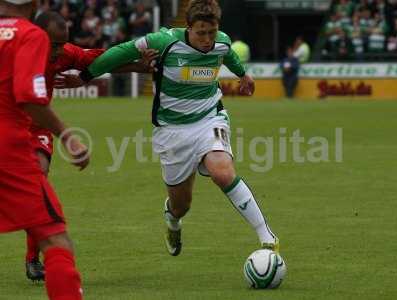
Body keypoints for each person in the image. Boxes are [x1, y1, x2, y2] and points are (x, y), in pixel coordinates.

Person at [67, 0, 279, 256]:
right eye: (201, 33)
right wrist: (85, 77)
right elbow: (119, 52)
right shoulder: (162, 42)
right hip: (172, 130)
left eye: (211, 32)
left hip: (210, 117)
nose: (207, 39)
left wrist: (243, 75)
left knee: (222, 172)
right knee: (181, 205)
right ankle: (172, 220)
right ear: (188, 27)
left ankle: (266, 236)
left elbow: (228, 55)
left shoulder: (221, 41)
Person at [23, 10, 158, 281]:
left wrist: (137, 66)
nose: (59, 51)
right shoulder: (14, 51)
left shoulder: (63, 54)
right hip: (7, 126)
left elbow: (100, 61)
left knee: (38, 184)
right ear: (37, 36)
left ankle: (32, 260)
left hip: (38, 129)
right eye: (55, 44)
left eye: (62, 44)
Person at [0, 1, 89, 299]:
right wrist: (67, 136)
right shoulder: (31, 34)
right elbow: (28, 97)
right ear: (34, 4)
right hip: (7, 145)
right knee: (56, 239)